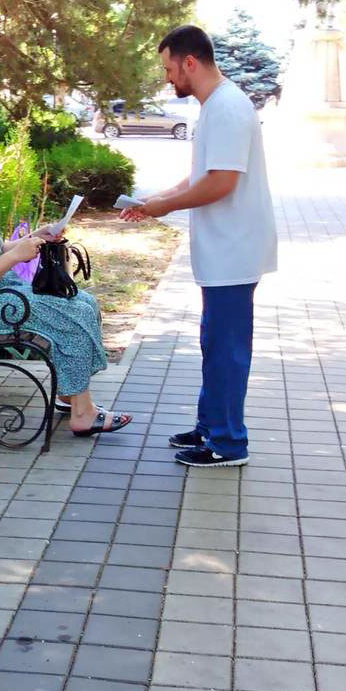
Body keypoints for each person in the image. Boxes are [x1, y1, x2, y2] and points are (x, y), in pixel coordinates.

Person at [121, 25, 277, 467]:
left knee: (226, 351)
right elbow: (202, 175)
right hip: (222, 253)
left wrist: (165, 207)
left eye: (169, 68)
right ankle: (210, 426)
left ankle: (228, 443)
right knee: (214, 344)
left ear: (190, 62)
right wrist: (157, 200)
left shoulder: (227, 106)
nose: (167, 77)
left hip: (233, 252)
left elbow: (222, 183)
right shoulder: (215, 106)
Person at [0, 136, 132, 437]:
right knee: (72, 311)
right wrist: (15, 257)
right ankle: (82, 414)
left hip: (2, 295)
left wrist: (35, 237)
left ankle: (70, 394)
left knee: (85, 302)